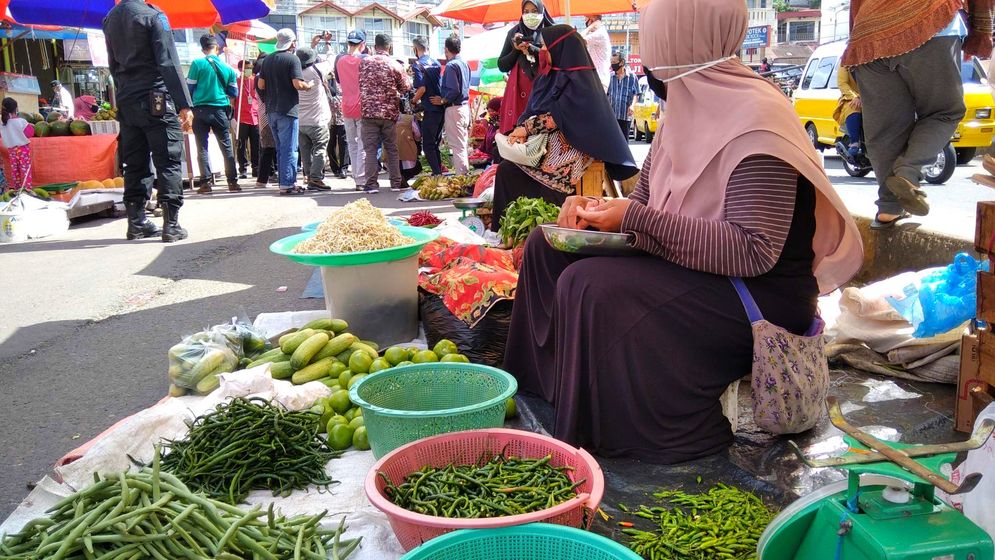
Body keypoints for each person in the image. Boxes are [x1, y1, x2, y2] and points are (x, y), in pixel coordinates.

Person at [505, 0, 863, 462]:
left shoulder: (760, 123)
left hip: (757, 295)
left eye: (657, 49)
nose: (653, 68)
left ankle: (641, 432)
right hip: (696, 265)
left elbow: (752, 251)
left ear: (680, 48)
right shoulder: (684, 109)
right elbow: (644, 200)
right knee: (547, 247)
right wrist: (595, 211)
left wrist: (630, 219)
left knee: (590, 285)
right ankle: (557, 393)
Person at [844, 0, 993, 227]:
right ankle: (908, 172)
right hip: (930, 22)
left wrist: (857, 43)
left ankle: (888, 208)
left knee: (885, 132)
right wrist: (981, 35)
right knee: (945, 111)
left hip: (869, 33)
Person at [489, 25, 638, 231]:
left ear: (559, 48)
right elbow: (532, 109)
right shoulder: (547, 76)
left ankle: (548, 231)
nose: (541, 51)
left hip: (576, 144)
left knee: (550, 180)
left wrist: (529, 128)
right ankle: (505, 230)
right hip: (543, 142)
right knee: (507, 170)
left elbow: (563, 116)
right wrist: (522, 128)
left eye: (544, 46)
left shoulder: (582, 80)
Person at [103, 0, 194, 242]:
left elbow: (112, 64)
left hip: (127, 99)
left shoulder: (110, 18)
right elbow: (168, 61)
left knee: (134, 162)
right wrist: (184, 104)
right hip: (156, 97)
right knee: (168, 160)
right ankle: (171, 225)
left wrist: (123, 94)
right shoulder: (153, 16)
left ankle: (137, 223)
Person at [258, 28, 316, 195]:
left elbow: (261, 85)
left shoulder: (268, 60)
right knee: (290, 148)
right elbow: (298, 84)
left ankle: (284, 182)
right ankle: (288, 184)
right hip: (288, 110)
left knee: (280, 148)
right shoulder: (293, 59)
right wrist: (309, 86)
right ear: (293, 43)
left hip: (271, 110)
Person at [358, 33, 411, 193]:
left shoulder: (364, 62)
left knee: (370, 149)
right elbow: (406, 87)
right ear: (389, 47)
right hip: (389, 113)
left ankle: (371, 184)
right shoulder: (394, 64)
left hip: (368, 113)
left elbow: (360, 82)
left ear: (375, 46)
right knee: (392, 148)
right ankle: (395, 183)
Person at [187, 34, 240, 194]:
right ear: (217, 48)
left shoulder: (197, 64)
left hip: (200, 110)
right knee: (226, 147)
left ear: (203, 49)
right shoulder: (228, 69)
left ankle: (205, 184)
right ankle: (233, 183)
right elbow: (234, 93)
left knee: (202, 147)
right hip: (220, 111)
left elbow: (189, 89)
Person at [498, 0, 554, 133]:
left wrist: (532, 49)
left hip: (544, 88)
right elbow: (502, 65)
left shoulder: (551, 32)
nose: (530, 15)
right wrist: (516, 50)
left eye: (534, 11)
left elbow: (557, 58)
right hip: (518, 91)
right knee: (518, 134)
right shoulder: (514, 33)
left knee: (544, 133)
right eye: (526, 12)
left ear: (542, 11)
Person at [295, 46, 335, 191]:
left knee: (305, 151)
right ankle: (316, 179)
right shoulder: (317, 70)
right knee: (320, 148)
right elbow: (331, 60)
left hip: (300, 120)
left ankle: (308, 175)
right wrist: (328, 47)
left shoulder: (294, 74)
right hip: (318, 120)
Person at [430, 35, 471, 175]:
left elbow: (454, 89)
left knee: (457, 146)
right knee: (462, 145)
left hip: (454, 107)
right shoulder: (464, 63)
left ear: (446, 49)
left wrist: (442, 100)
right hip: (464, 107)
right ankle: (464, 176)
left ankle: (462, 178)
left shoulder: (451, 65)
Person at [335, 30, 367, 191]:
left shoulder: (339, 60)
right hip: (362, 107)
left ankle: (357, 178)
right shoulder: (365, 60)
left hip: (346, 106)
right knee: (362, 144)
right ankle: (361, 179)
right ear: (363, 44)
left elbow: (339, 80)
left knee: (352, 144)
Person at [411, 35, 445, 175]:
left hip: (430, 109)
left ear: (415, 48)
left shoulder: (417, 65)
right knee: (435, 143)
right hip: (440, 107)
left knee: (428, 144)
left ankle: (437, 173)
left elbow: (422, 89)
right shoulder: (436, 63)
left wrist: (413, 101)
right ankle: (438, 172)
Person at [253, 53, 278, 188]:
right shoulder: (260, 79)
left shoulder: (258, 78)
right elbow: (265, 97)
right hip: (267, 116)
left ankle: (263, 178)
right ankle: (262, 179)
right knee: (268, 148)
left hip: (265, 116)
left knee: (268, 148)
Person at [1, 98, 33, 190]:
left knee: (15, 171)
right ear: (16, 108)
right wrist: (30, 125)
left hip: (11, 150)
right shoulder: (21, 121)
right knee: (25, 170)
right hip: (23, 149)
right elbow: (30, 133)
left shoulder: (2, 123)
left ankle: (17, 190)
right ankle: (27, 189)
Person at [235, 60, 259, 180]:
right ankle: (243, 169)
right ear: (240, 69)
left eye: (251, 67)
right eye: (247, 68)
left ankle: (256, 168)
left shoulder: (255, 80)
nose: (249, 70)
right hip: (241, 117)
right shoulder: (237, 82)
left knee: (256, 145)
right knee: (241, 145)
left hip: (255, 117)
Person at [833, 65, 864, 160]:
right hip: (851, 99)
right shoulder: (845, 64)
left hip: (871, 99)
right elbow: (842, 83)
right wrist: (855, 96)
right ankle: (854, 142)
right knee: (854, 108)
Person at [607, 51, 639, 138]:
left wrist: (632, 106)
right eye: (611, 62)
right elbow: (606, 94)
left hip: (625, 117)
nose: (612, 65)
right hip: (612, 117)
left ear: (621, 62)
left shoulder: (632, 77)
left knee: (624, 143)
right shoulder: (610, 77)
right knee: (612, 143)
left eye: (614, 62)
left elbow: (636, 94)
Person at [580, 15, 612, 92]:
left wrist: (590, 27)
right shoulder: (596, 34)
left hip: (599, 79)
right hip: (595, 79)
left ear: (592, 20)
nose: (586, 23)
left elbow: (579, 39)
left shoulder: (600, 33)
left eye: (586, 20)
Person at [327, 77, 348, 180]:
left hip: (342, 117)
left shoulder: (344, 81)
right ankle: (334, 167)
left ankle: (343, 168)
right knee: (330, 144)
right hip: (329, 119)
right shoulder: (325, 82)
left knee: (343, 143)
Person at [481, 96, 503, 163]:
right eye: (489, 111)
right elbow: (485, 143)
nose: (491, 113)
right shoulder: (492, 124)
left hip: (499, 160)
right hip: (489, 159)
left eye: (493, 111)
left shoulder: (504, 124)